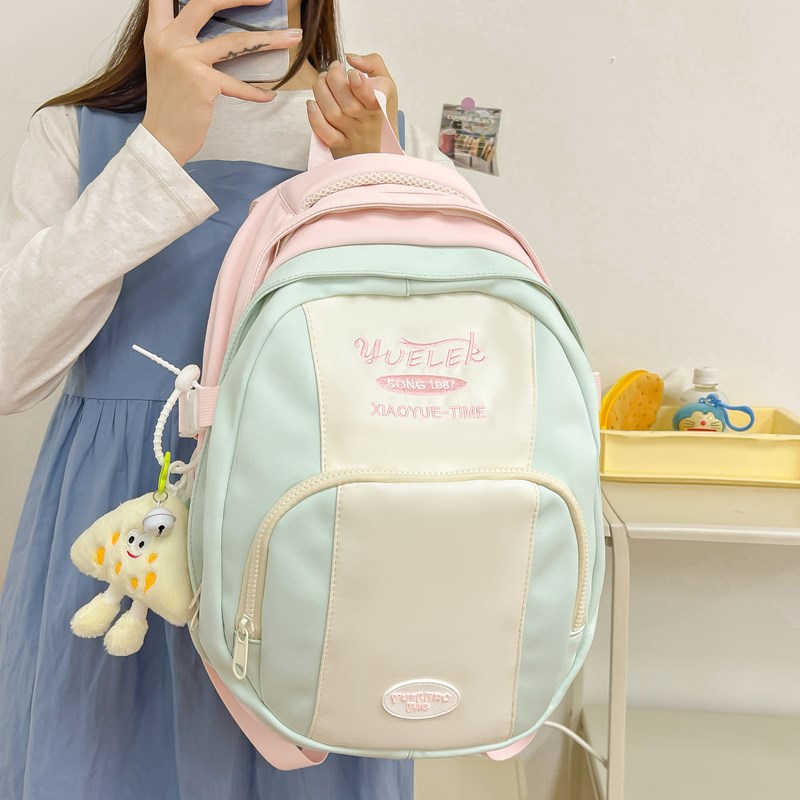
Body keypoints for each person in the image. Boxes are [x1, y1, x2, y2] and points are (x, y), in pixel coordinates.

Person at [0, 1, 451, 797]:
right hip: (120, 545)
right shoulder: (77, 132)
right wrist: (157, 151)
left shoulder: (373, 132)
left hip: (311, 535)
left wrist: (376, 181)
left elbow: (436, 378)